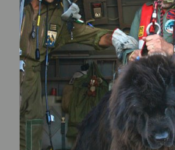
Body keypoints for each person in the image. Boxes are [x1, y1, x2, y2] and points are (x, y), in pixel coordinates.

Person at [19, 0, 113, 149]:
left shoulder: (58, 16)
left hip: (32, 80)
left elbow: (89, 35)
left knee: (32, 128)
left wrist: (115, 38)